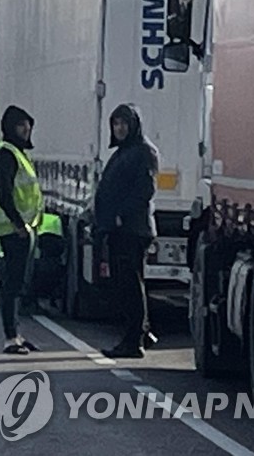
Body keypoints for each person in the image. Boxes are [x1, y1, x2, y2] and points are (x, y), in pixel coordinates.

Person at [94, 104, 160, 359]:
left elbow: (145, 189)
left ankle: (134, 341)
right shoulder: (124, 151)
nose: (120, 128)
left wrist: (122, 215)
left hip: (132, 229)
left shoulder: (143, 152)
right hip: (118, 228)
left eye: (124, 123)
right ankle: (142, 332)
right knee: (124, 285)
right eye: (116, 124)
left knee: (131, 285)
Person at [0, 105, 44, 355]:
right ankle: (10, 338)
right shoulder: (6, 154)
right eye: (21, 125)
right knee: (12, 285)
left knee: (19, 283)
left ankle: (17, 335)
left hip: (24, 229)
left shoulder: (18, 152)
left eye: (28, 124)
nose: (26, 129)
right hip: (14, 231)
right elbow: (4, 193)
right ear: (10, 127)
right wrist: (18, 223)